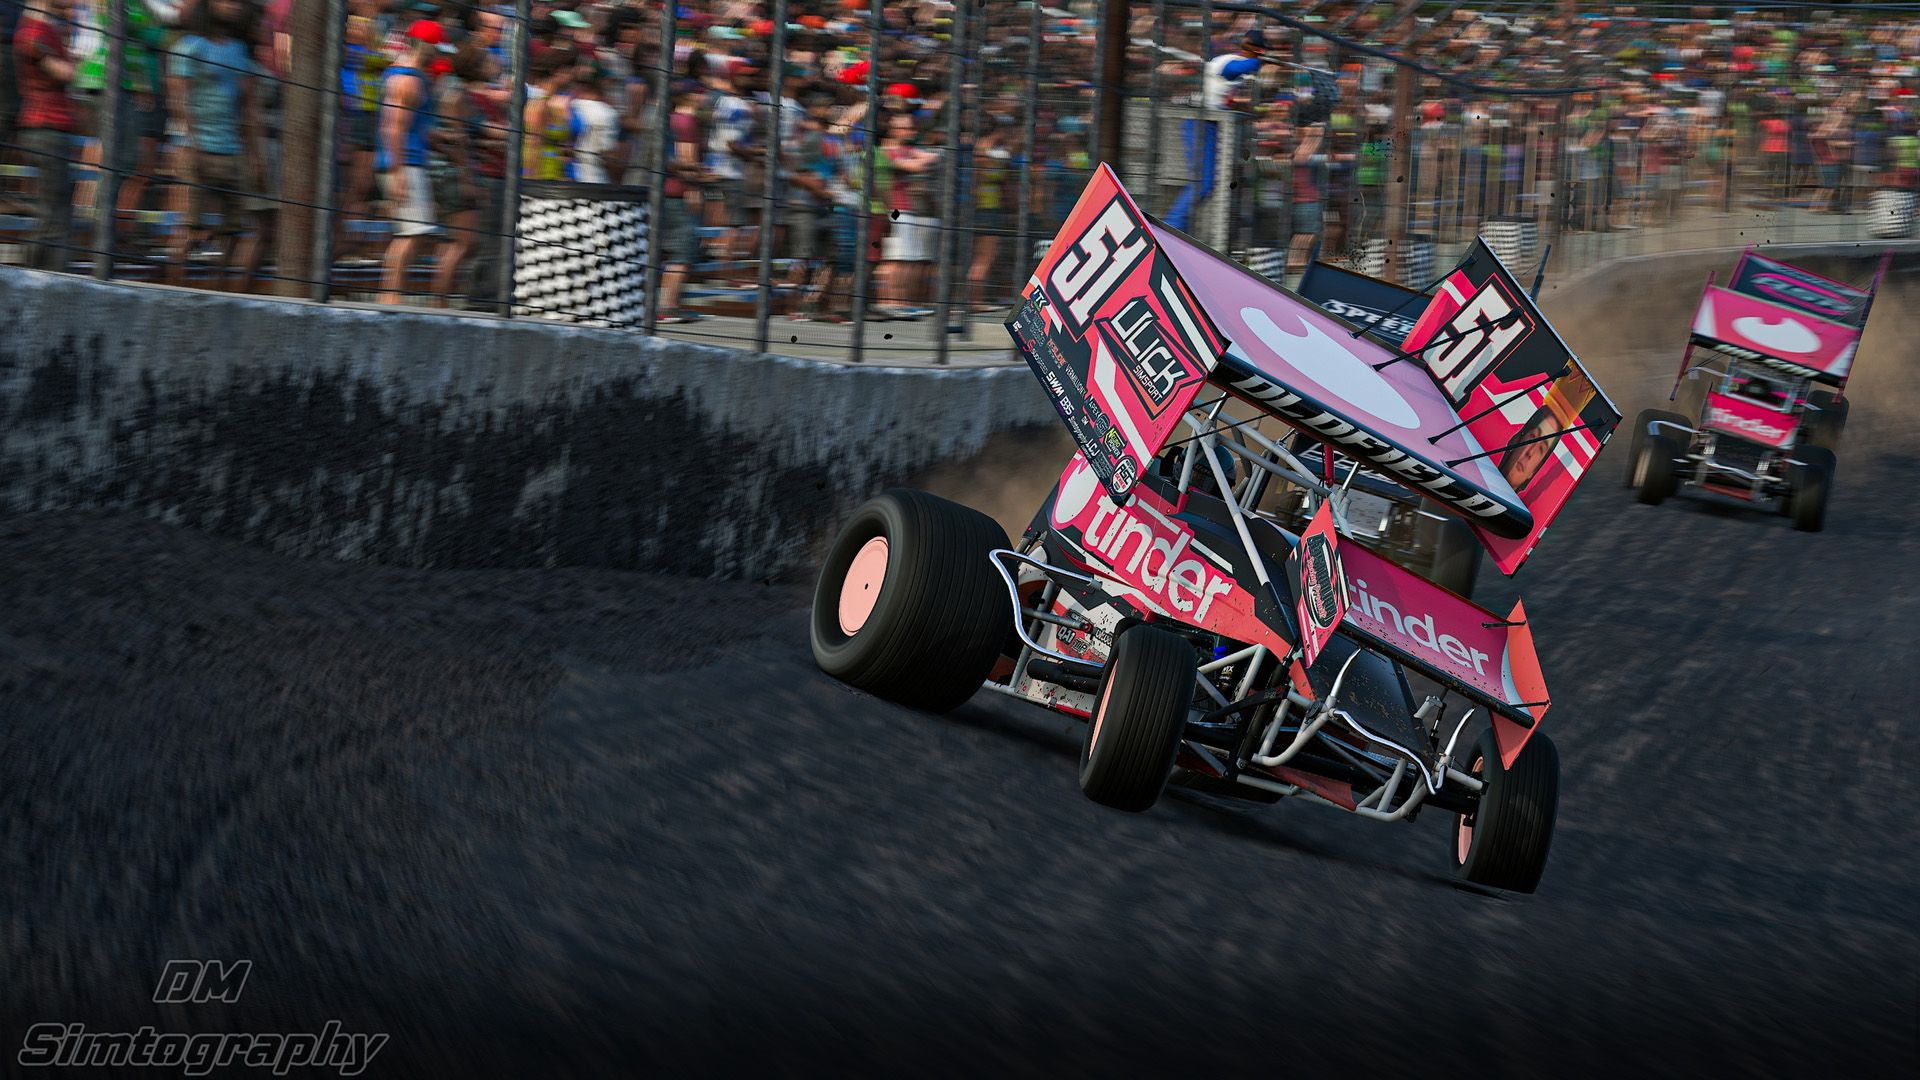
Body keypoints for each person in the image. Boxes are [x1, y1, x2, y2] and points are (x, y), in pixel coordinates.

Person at [164, 0, 261, 290]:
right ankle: (175, 290)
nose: (233, 6)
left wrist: (254, 155)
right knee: (189, 225)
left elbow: (247, 107)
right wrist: (191, 144)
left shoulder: (239, 51)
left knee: (233, 228)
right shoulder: (188, 47)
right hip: (195, 148)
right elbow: (178, 100)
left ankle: (217, 289)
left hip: (231, 149)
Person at [1168, 29, 1269, 233]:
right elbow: (1235, 69)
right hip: (1200, 122)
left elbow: (1231, 96)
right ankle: (1172, 226)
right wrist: (1261, 61)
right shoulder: (1227, 62)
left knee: (1213, 184)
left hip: (1215, 125)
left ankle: (1179, 228)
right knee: (1203, 183)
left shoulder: (1244, 73)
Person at [376, 18, 440, 305]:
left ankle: (391, 295)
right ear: (425, 46)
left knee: (413, 232)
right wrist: (398, 171)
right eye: (436, 47)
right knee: (410, 234)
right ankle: (390, 296)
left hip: (408, 161)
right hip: (405, 164)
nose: (438, 54)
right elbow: (393, 127)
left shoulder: (405, 75)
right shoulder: (408, 80)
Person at [13, 0, 77, 271]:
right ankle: (37, 276)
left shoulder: (45, 28)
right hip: (45, 128)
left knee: (56, 211)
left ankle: (47, 274)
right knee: (53, 213)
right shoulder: (33, 31)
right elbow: (65, 73)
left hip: (50, 128)